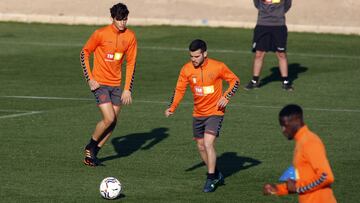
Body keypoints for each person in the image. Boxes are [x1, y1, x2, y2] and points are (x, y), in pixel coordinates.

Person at [165, 39, 240, 192]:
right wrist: (172, 107)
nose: (193, 60)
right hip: (198, 113)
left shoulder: (218, 66)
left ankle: (210, 178)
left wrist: (226, 96)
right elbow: (179, 89)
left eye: (197, 56)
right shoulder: (186, 69)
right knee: (200, 146)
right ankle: (217, 174)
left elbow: (235, 81)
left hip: (215, 112)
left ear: (205, 54)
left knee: (208, 143)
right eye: (191, 57)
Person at [80, 2, 137, 166]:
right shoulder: (100, 34)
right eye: (119, 19)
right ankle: (90, 146)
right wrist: (90, 78)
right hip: (100, 84)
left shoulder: (130, 37)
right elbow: (84, 53)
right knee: (109, 118)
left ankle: (92, 155)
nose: (122, 23)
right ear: (113, 18)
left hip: (116, 85)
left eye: (125, 19)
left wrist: (127, 89)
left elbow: (131, 63)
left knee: (113, 122)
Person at [263, 104, 337, 203]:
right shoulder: (300, 142)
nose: (283, 130)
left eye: (285, 125)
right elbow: (301, 181)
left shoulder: (310, 142)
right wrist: (278, 189)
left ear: (297, 121)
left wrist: (297, 187)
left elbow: (326, 176)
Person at [244, 0, 293, 91]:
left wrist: (278, 13)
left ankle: (285, 82)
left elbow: (287, 5)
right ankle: (255, 81)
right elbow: (257, 3)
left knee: (281, 54)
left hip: (279, 25)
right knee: (259, 54)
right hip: (262, 25)